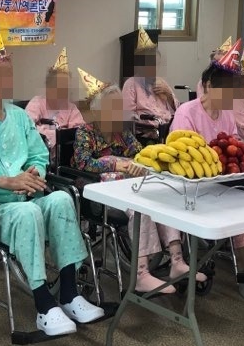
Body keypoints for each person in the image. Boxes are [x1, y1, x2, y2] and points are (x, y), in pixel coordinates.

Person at [0, 24, 104, 336]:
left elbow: (39, 155)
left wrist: (34, 173)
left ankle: (69, 294)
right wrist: (6, 181)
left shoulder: (18, 116)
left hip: (25, 197)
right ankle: (44, 305)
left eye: (8, 76)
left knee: (62, 199)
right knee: (29, 212)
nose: (4, 83)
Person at [73, 68, 204, 293]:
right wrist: (116, 164)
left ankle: (176, 260)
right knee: (139, 208)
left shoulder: (122, 132)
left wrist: (140, 163)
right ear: (98, 111)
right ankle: (141, 274)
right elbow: (83, 163)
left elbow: (139, 154)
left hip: (127, 186)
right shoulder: (85, 133)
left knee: (161, 198)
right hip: (97, 193)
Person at [173, 39, 244, 308]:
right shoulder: (186, 113)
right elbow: (181, 156)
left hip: (229, 181)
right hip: (196, 187)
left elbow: (233, 146)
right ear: (208, 85)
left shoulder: (227, 114)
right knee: (242, 213)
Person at [25, 48, 85, 148]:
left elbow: (80, 132)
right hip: (40, 151)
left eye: (66, 89)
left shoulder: (71, 108)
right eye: (60, 89)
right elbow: (26, 127)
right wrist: (57, 134)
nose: (64, 94)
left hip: (65, 152)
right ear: (49, 88)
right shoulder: (37, 103)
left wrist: (44, 129)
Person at [122, 28, 178, 132]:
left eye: (157, 63)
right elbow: (128, 116)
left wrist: (168, 94)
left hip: (169, 128)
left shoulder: (162, 82)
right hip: (148, 131)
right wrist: (150, 122)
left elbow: (177, 109)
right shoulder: (131, 84)